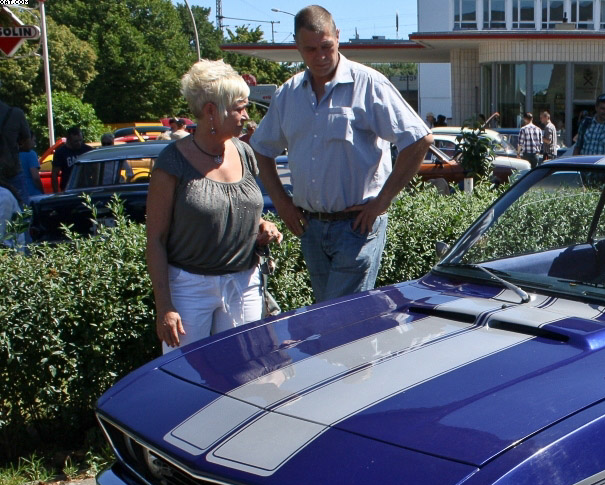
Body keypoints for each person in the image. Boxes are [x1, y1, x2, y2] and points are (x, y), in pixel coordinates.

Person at [251, 4, 432, 303]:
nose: (320, 57)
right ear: (296, 46)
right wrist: (282, 203)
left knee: (340, 317)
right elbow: (261, 149)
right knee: (333, 317)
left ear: (338, 37)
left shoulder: (368, 84)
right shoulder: (289, 93)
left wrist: (382, 202)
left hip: (356, 227)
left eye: (327, 46)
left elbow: (419, 139)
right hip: (310, 228)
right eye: (310, 49)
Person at [146, 60, 282, 353]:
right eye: (239, 107)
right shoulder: (172, 163)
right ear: (211, 110)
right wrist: (164, 306)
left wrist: (263, 226)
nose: (246, 116)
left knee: (244, 375)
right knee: (188, 381)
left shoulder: (245, 153)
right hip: (188, 290)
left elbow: (244, 209)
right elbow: (155, 240)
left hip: (244, 283)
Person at [51, 127, 92, 192]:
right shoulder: (61, 152)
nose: (79, 143)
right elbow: (54, 174)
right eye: (76, 141)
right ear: (69, 140)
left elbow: (96, 169)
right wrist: (56, 193)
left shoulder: (87, 150)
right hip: (68, 188)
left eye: (80, 140)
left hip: (85, 187)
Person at [16, 132, 40, 205]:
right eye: (33, 140)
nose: (34, 143)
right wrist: (41, 190)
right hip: (33, 194)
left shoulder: (13, 155)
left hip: (19, 193)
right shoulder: (31, 154)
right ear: (28, 140)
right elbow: (35, 177)